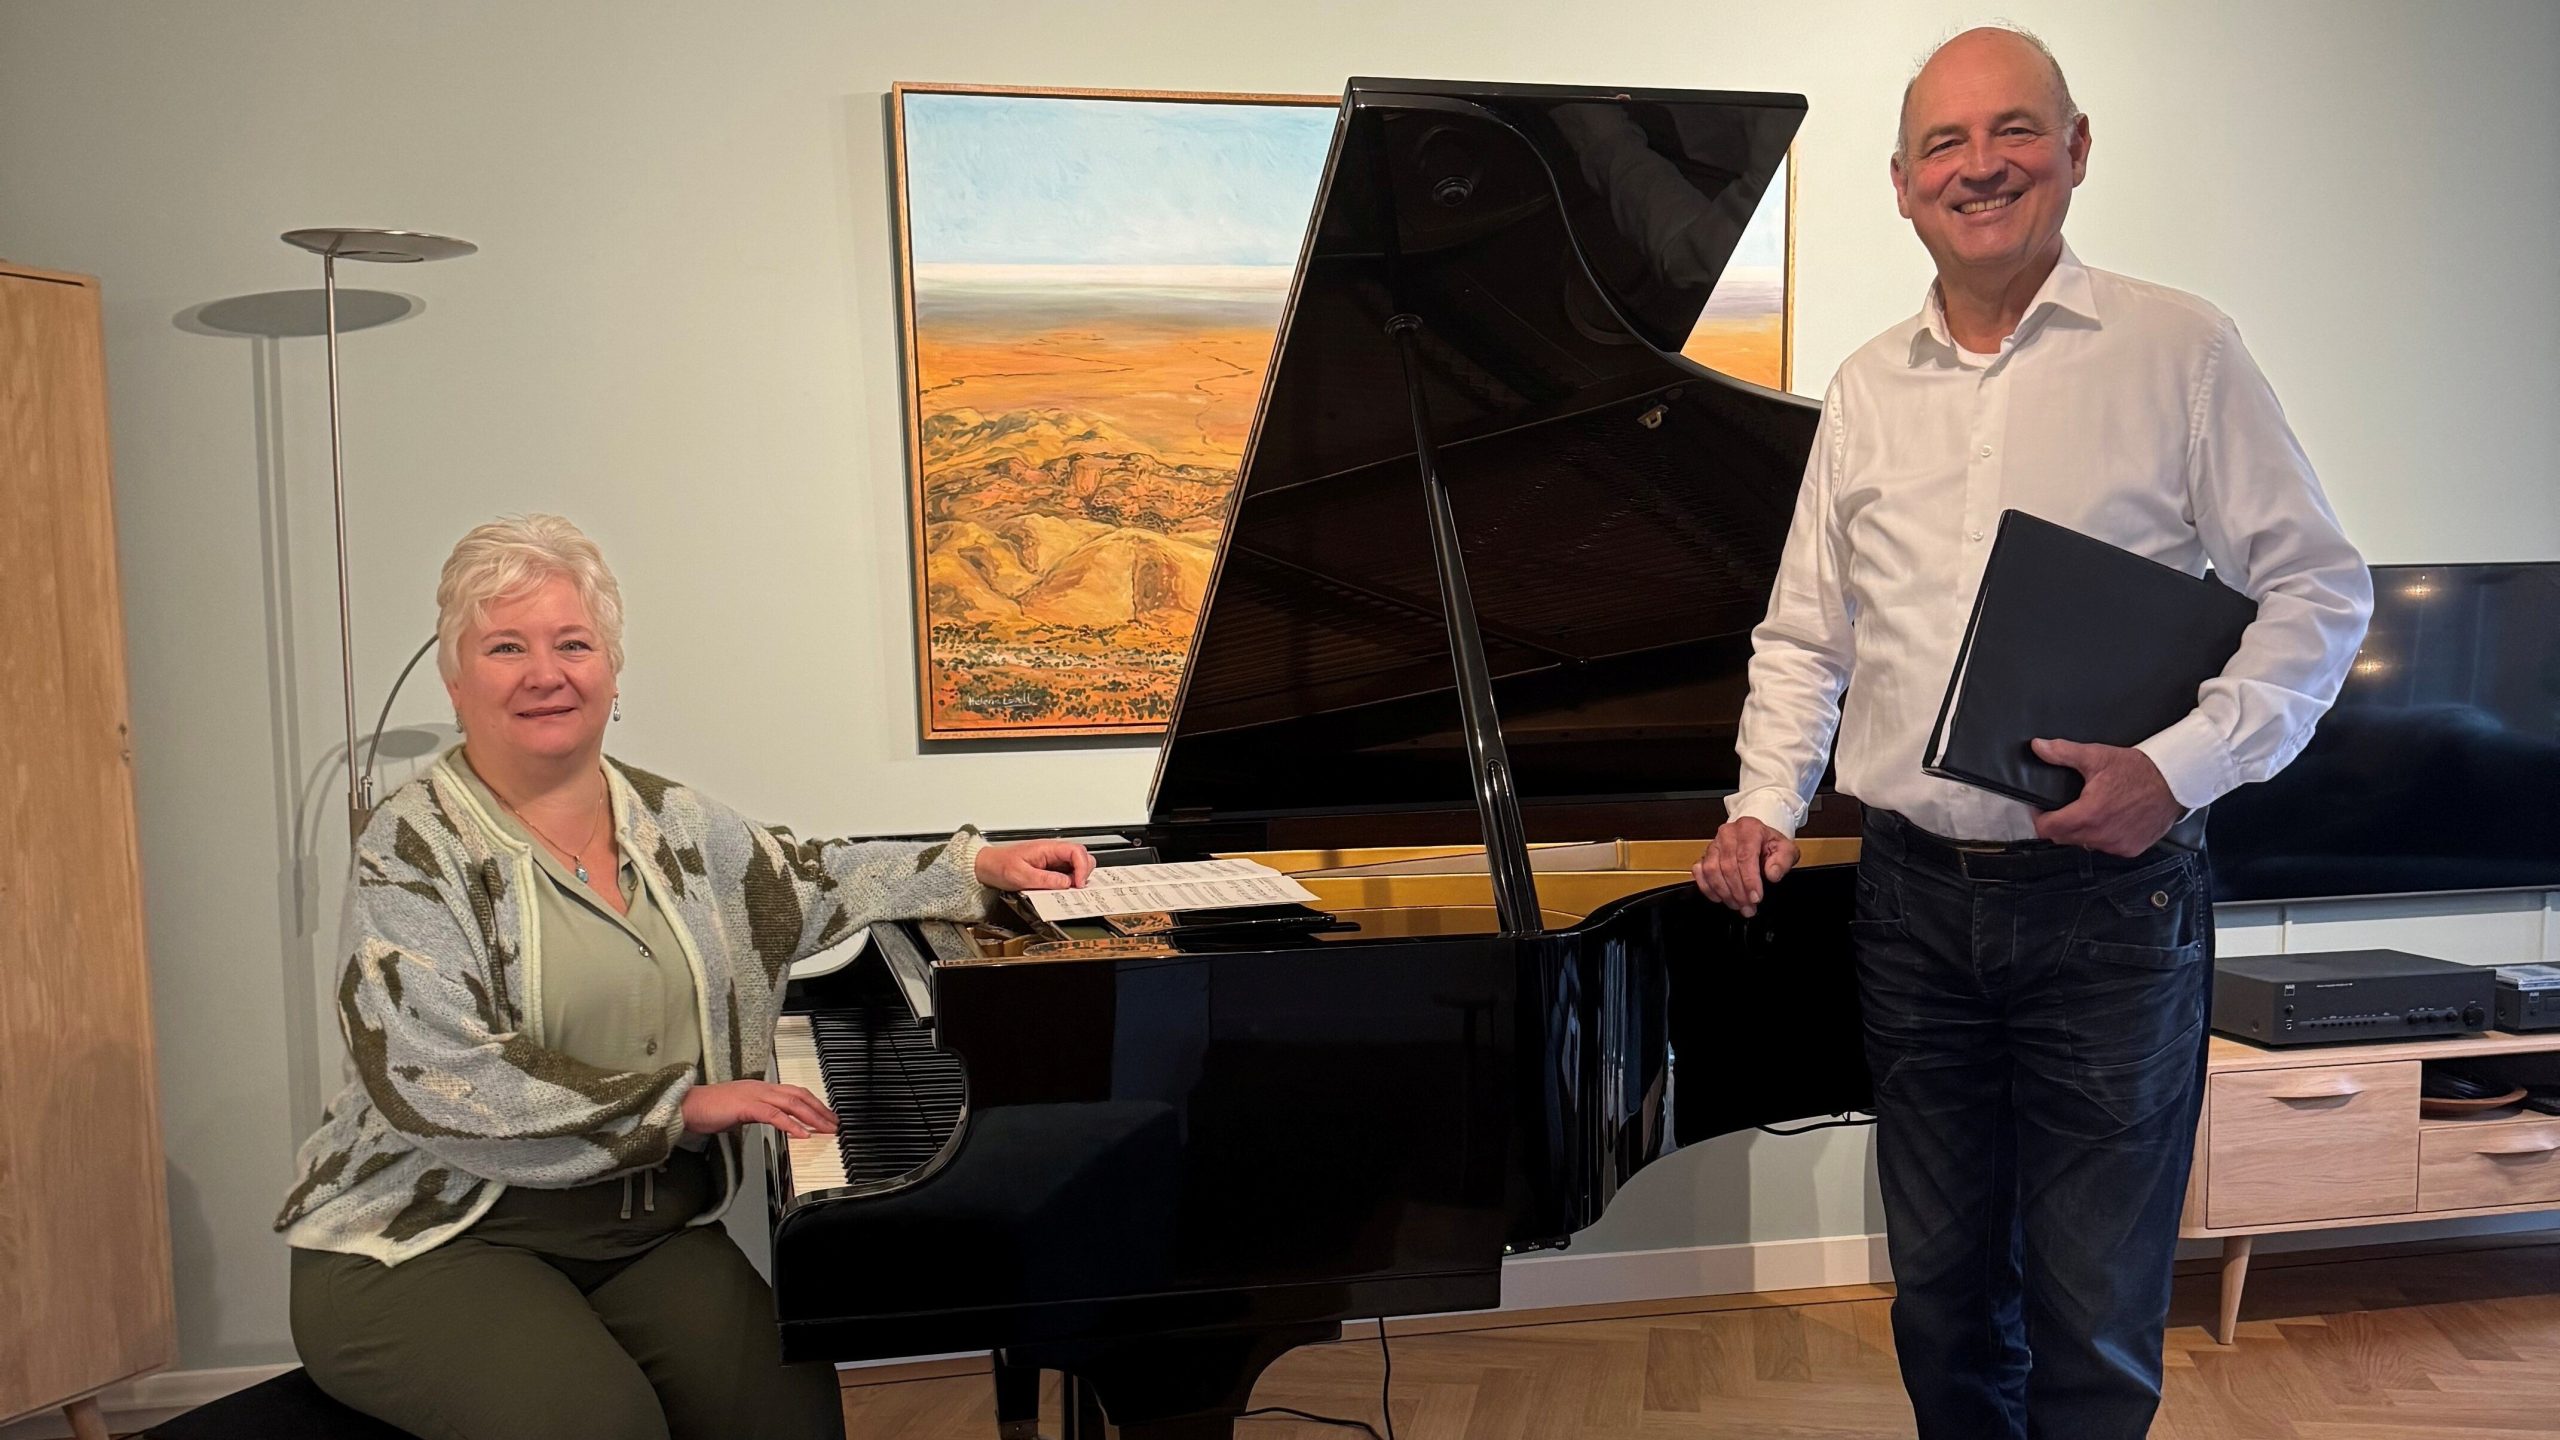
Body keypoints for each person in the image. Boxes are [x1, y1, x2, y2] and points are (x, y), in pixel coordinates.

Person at [1690, 26, 2373, 1440]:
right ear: (1901, 184)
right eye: (1943, 142)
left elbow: (2320, 591)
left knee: (2093, 1313)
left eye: (2013, 130)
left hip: (2112, 909)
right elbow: (1806, 634)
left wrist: (2175, 771)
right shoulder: (1867, 386)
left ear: (2074, 150)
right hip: (1912, 907)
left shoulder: (2181, 351)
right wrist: (1764, 798)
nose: (1979, 165)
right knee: (1943, 1301)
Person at [275, 514, 1093, 1440]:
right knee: (600, 1426)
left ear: (612, 673)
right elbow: (432, 1075)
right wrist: (684, 1107)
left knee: (790, 1420)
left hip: (640, 1232)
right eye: (506, 647)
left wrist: (974, 865)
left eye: (573, 643)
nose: (546, 673)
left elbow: (812, 877)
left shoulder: (675, 822)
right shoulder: (411, 844)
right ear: (456, 680)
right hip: (431, 1235)